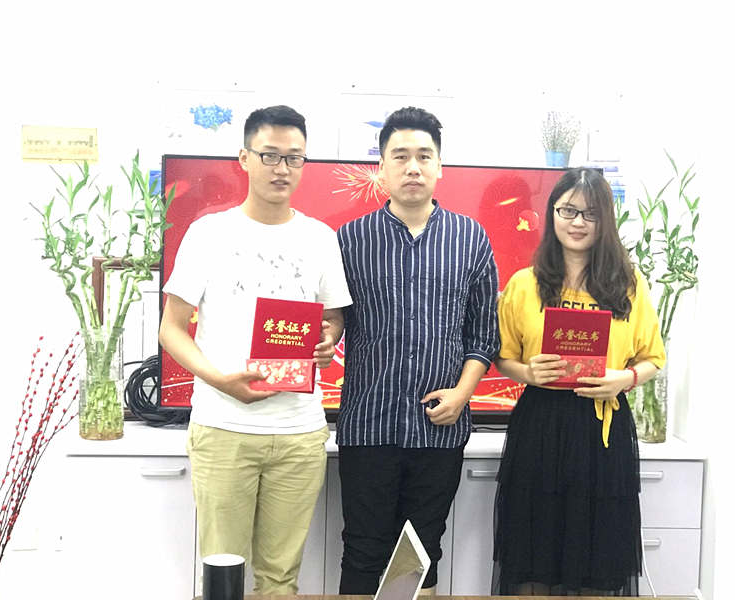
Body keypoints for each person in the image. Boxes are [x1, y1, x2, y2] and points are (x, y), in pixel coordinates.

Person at [158, 105, 352, 595]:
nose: (282, 168)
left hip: (299, 432)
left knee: (281, 579)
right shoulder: (208, 233)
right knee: (222, 573)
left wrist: (328, 340)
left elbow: (332, 318)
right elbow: (172, 330)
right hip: (224, 428)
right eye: (270, 155)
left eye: (294, 158)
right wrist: (220, 380)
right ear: (244, 158)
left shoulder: (320, 238)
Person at [336, 106, 500, 595]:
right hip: (368, 423)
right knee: (363, 549)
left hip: (439, 428)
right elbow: (332, 322)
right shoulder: (350, 240)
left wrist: (463, 395)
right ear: (381, 168)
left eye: (424, 156)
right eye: (400, 156)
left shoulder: (470, 238)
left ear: (439, 166)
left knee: (422, 551)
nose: (413, 167)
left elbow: (483, 334)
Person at [492, 167, 666, 596]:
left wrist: (624, 378)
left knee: (598, 557)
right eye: (568, 210)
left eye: (591, 213)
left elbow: (654, 359)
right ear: (552, 213)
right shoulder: (525, 284)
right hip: (541, 425)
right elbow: (503, 356)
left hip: (602, 430)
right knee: (534, 552)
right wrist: (528, 373)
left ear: (605, 219)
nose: (578, 222)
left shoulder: (628, 284)